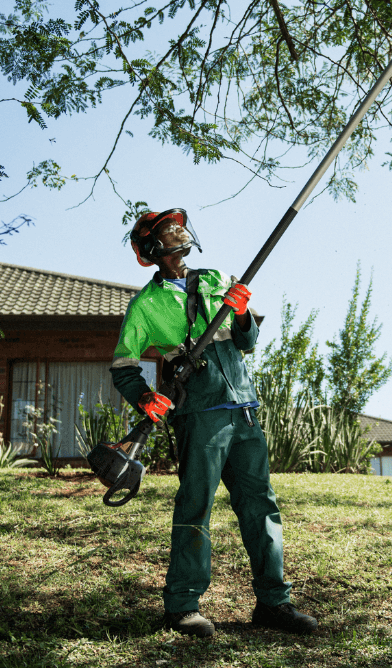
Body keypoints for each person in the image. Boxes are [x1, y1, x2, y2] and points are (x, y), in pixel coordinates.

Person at [109, 208, 317, 638]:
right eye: (166, 233)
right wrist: (145, 397)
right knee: (195, 508)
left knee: (261, 506)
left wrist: (241, 313)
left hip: (243, 409)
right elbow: (124, 366)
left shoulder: (215, 278)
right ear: (150, 249)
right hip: (198, 416)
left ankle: (274, 603)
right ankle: (182, 607)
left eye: (178, 229)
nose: (176, 236)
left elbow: (247, 341)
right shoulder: (145, 306)